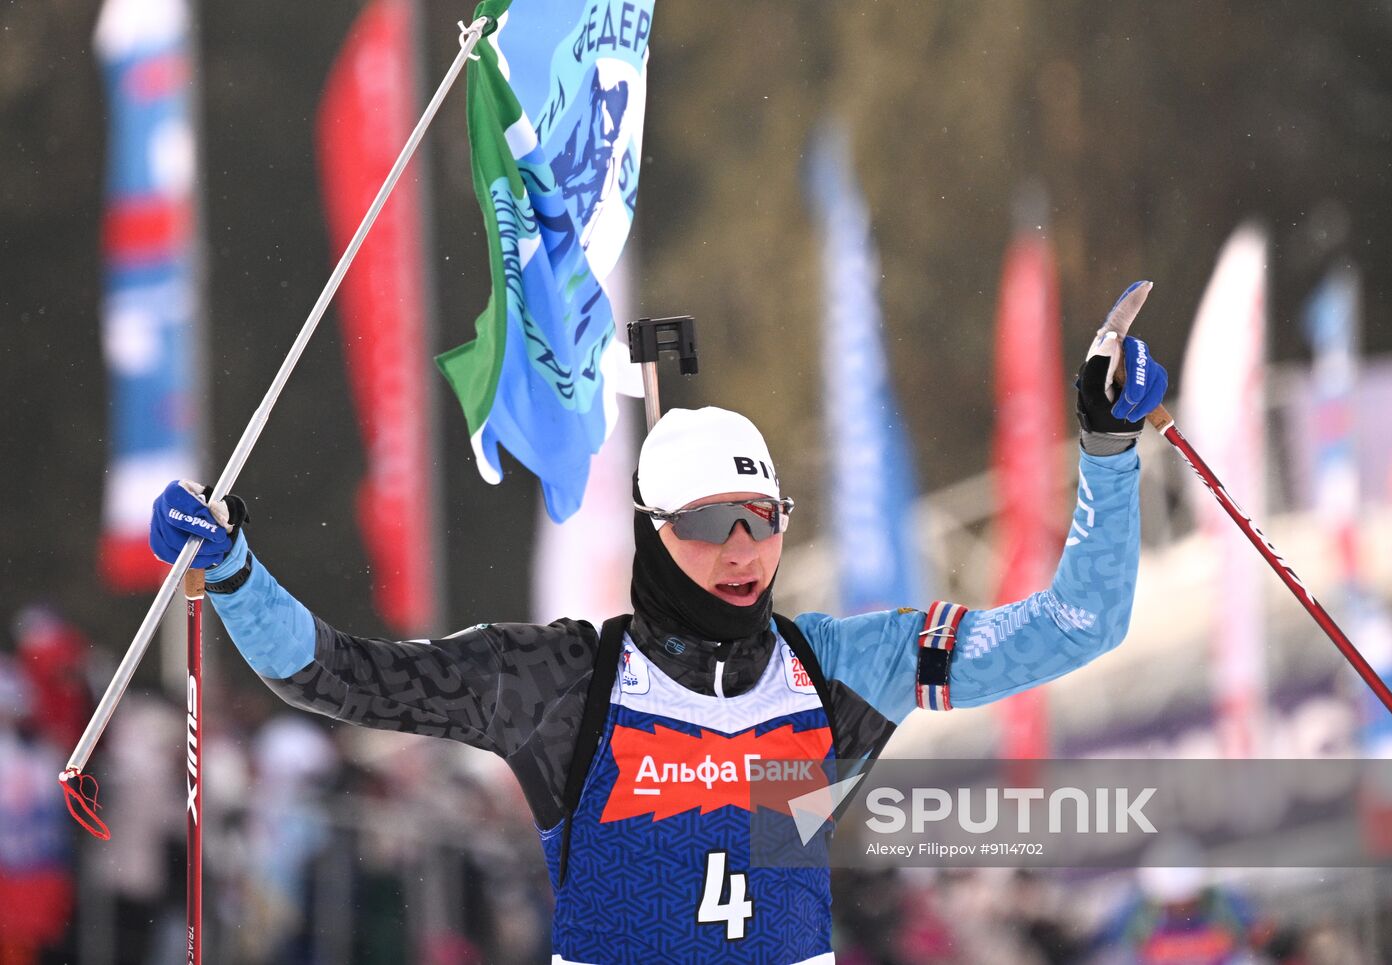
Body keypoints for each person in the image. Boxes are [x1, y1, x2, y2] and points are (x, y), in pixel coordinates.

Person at [148, 285, 1168, 965]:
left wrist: (1108, 450)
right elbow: (335, 677)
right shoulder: (558, 682)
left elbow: (1076, 623)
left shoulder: (845, 668)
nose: (741, 552)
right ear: (649, 534)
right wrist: (235, 570)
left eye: (761, 522)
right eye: (707, 526)